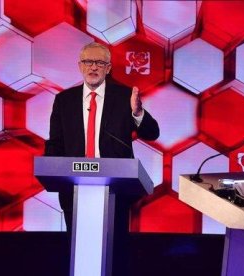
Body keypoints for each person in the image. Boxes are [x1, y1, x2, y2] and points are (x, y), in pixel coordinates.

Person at [44, 42, 159, 274]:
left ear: (108, 68)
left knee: (114, 254)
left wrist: (137, 114)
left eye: (100, 63)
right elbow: (55, 142)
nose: (93, 67)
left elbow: (152, 133)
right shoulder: (64, 100)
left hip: (115, 192)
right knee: (78, 251)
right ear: (80, 66)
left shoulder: (124, 96)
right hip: (73, 192)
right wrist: (52, 170)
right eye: (88, 62)